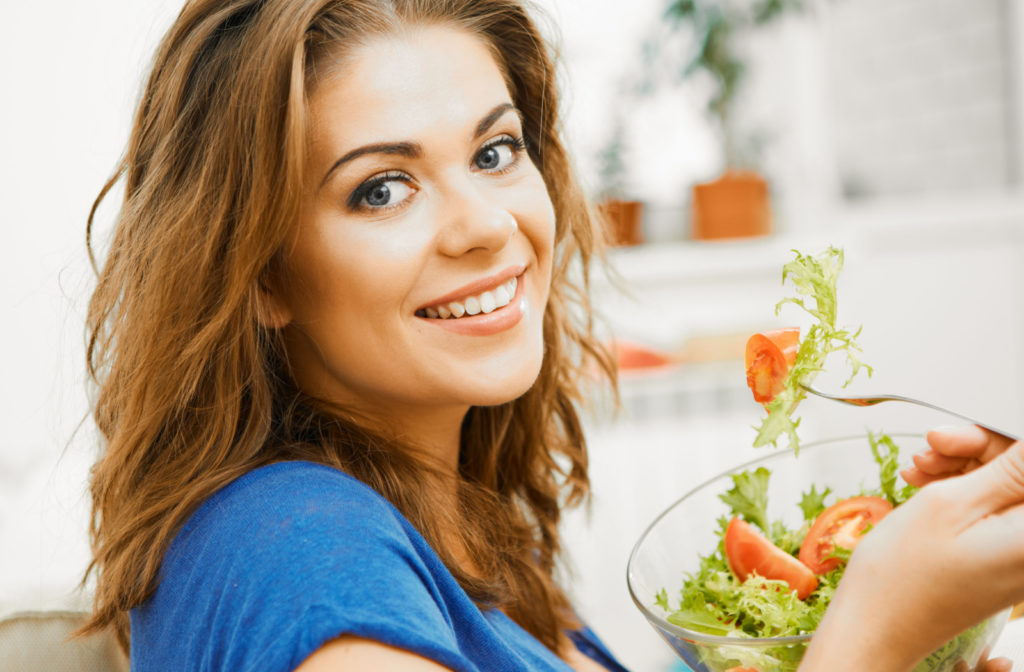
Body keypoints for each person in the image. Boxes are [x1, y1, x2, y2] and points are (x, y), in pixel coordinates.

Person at [76, 0, 1024, 670]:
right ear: (261, 274)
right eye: (382, 187)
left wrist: (872, 613)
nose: (486, 224)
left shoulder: (453, 533)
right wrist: (876, 632)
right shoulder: (286, 550)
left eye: (496, 152)